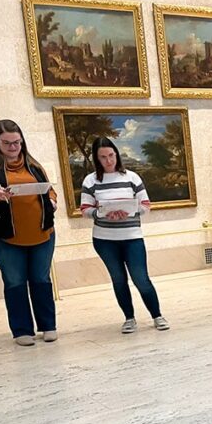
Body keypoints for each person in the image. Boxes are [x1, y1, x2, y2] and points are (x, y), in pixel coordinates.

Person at [0, 119, 58, 346]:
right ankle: (21, 330)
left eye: (17, 142)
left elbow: (50, 190)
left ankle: (48, 326)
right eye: (7, 143)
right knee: (15, 281)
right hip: (4, 236)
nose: (13, 147)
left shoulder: (33, 165)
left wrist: (53, 201)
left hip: (42, 232)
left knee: (41, 279)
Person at [79, 137, 169, 333]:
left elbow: (146, 206)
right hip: (105, 239)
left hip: (132, 236)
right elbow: (85, 209)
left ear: (117, 154)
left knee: (141, 278)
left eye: (111, 155)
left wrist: (129, 211)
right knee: (118, 279)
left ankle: (157, 315)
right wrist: (101, 213)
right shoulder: (91, 180)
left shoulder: (132, 177)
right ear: (96, 159)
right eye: (103, 157)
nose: (108, 160)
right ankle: (129, 318)